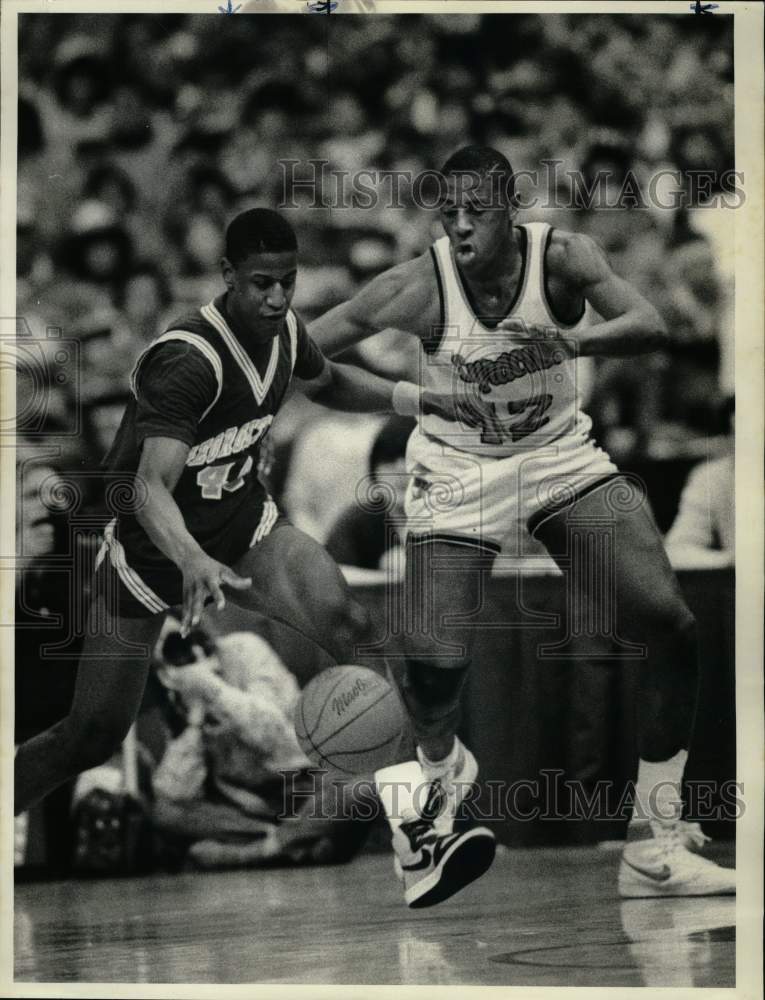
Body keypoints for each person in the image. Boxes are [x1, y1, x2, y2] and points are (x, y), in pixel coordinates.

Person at [309, 146, 735, 904]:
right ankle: (438, 789)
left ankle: (653, 842)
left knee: (668, 622)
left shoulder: (565, 256)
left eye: (477, 209)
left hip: (555, 456)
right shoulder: (416, 285)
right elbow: (307, 353)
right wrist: (407, 398)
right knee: (434, 666)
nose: (462, 225)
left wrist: (570, 341)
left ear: (511, 207)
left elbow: (649, 324)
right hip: (456, 466)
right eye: (449, 212)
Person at [14, 206, 475, 885]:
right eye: (261, 282)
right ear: (226, 275)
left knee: (352, 626)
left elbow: (327, 379)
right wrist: (192, 560)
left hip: (246, 528)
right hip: (147, 556)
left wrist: (412, 399)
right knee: (91, 734)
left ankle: (417, 834)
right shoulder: (186, 361)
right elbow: (147, 487)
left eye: (286, 281)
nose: (277, 296)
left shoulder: (284, 331)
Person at [152, 620, 369, 869]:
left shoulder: (245, 651)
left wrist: (214, 689)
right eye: (167, 649)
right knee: (165, 811)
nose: (182, 651)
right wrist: (194, 717)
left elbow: (273, 737)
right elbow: (176, 793)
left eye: (182, 638)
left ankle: (258, 853)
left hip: (302, 787)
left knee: (362, 786)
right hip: (248, 810)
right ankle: (293, 844)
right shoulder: (175, 691)